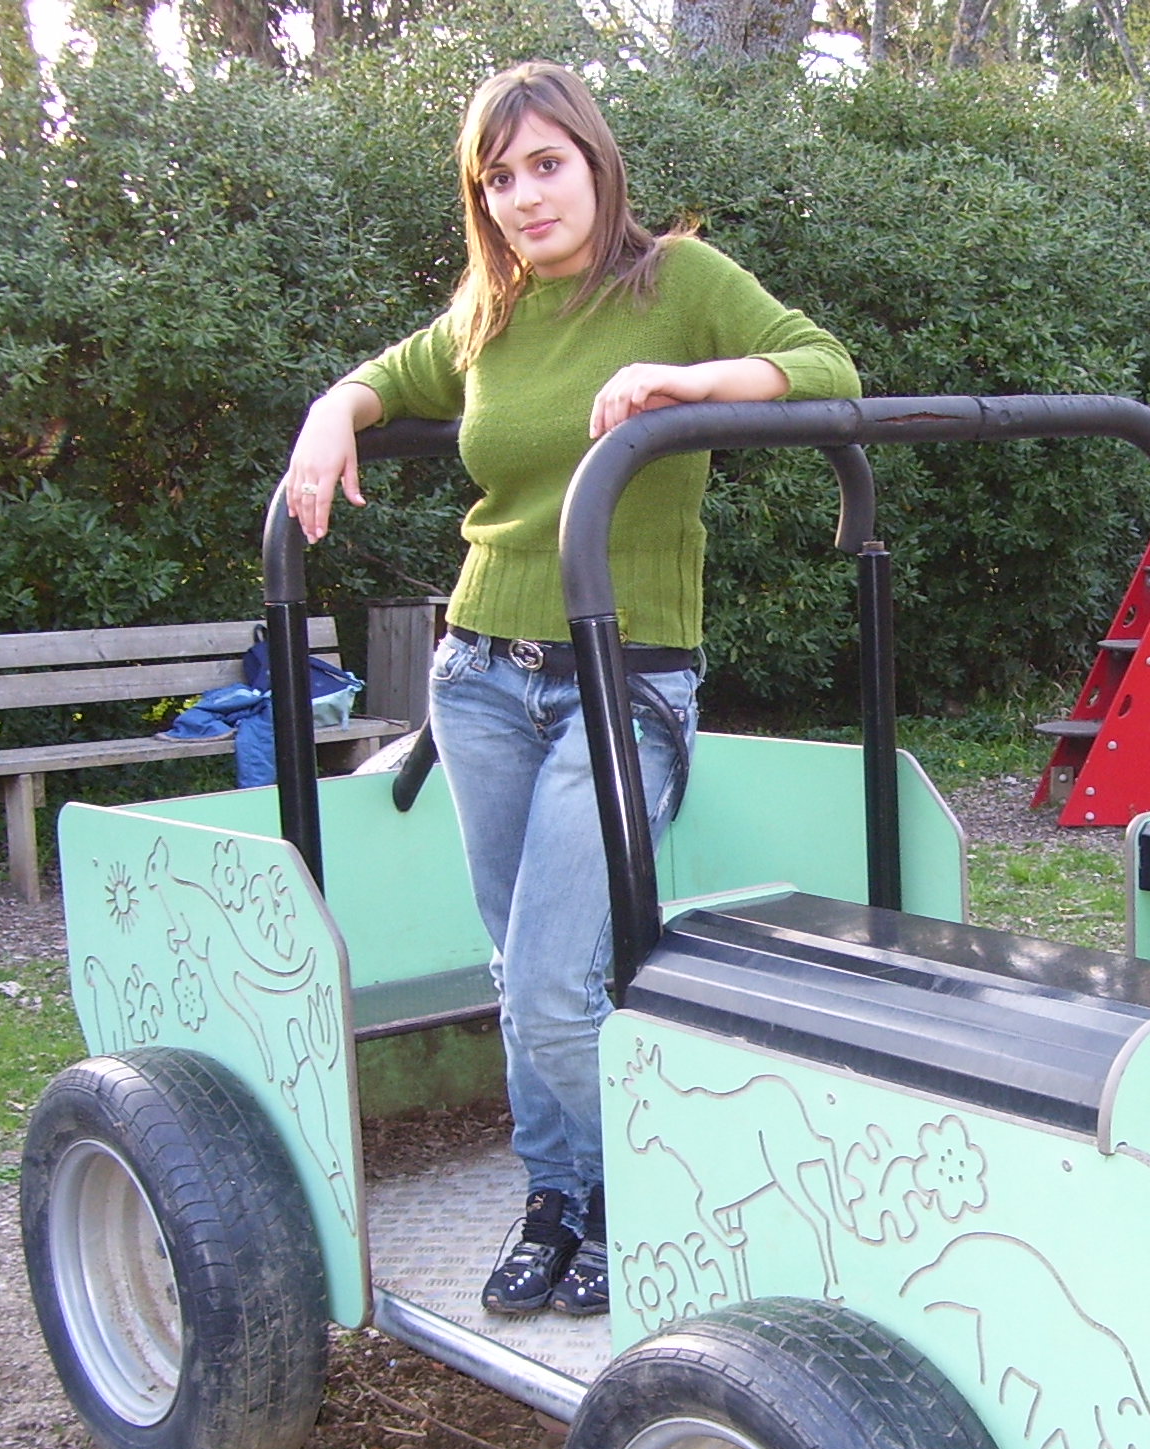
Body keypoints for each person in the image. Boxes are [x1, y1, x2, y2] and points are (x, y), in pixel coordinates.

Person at [281, 62, 858, 1318]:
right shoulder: (488, 316)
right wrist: (333, 410)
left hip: (624, 679)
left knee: (552, 981)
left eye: (547, 165)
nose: (526, 197)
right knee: (516, 969)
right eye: (499, 179)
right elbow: (394, 376)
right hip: (480, 677)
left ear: (597, 163)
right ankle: (559, 1197)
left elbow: (825, 367)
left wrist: (686, 385)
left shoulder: (676, 282)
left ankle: (649, 1196)